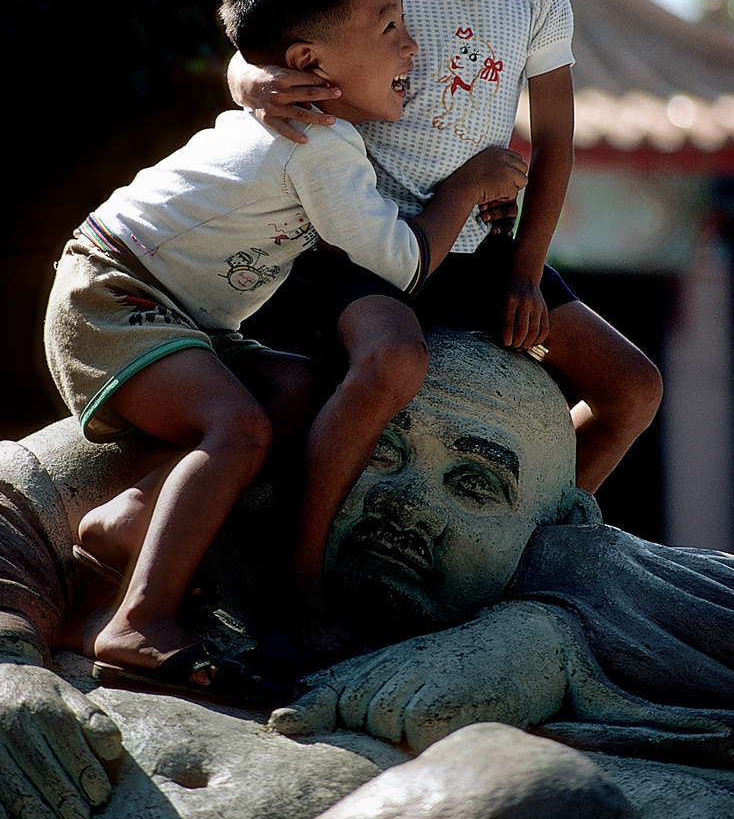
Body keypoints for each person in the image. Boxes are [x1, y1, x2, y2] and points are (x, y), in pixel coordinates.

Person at [42, 0, 529, 696]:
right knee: (239, 428)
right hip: (117, 290)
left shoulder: (318, 129)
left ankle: (127, 519)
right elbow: (400, 264)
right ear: (309, 64)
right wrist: (464, 187)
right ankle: (141, 621)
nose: (413, 49)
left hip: (183, 316)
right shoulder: (320, 145)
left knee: (298, 389)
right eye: (391, 28)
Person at [1, 329, 734, 818]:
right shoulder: (235, 489)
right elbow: (18, 486)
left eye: (475, 483)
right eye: (379, 454)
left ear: (555, 523)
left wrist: (550, 642)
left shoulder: (567, 576)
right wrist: (5, 666)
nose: (408, 501)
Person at [226, 0, 663, 494]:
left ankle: (530, 546)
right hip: (360, 244)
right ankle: (298, 564)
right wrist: (249, 81)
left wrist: (524, 270)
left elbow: (555, 140)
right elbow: (257, 55)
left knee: (633, 389)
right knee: (370, 377)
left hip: (477, 253)